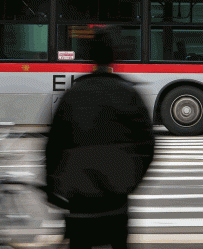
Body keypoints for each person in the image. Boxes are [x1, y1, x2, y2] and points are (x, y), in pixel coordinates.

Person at [45, 26, 155, 249]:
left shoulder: (72, 94)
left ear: (89, 57)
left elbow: (53, 146)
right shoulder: (128, 93)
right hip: (116, 198)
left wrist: (52, 187)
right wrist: (129, 182)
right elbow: (147, 146)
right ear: (115, 57)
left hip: (79, 199)